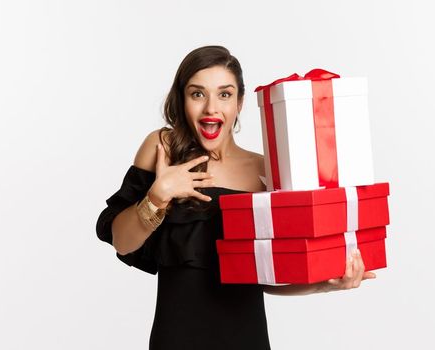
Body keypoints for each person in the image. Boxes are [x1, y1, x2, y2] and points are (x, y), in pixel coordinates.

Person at [95, 45, 376, 350]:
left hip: (247, 337)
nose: (211, 108)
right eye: (197, 93)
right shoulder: (162, 148)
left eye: (224, 94)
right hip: (177, 338)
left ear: (240, 103)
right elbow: (122, 241)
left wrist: (324, 284)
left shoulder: (264, 169)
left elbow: (266, 277)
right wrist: (158, 195)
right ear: (182, 99)